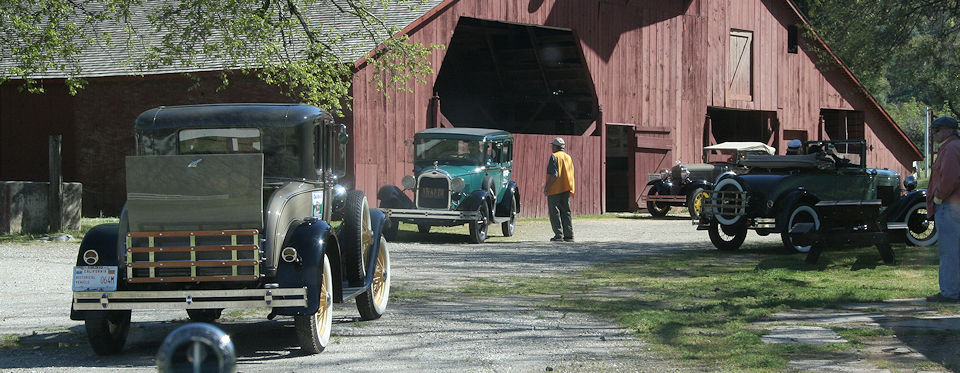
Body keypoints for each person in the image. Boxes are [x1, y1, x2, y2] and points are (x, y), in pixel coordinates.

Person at [926, 116, 960, 302]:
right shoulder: (953, 147)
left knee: (949, 251)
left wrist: (938, 197)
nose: (933, 133)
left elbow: (949, 177)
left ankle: (949, 293)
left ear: (948, 130)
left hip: (950, 206)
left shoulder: (951, 148)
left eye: (937, 129)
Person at [544, 137, 575, 242]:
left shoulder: (554, 156)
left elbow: (554, 174)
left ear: (556, 146)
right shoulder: (568, 157)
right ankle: (569, 235)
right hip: (566, 187)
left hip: (555, 189)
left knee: (554, 212)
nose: (552, 147)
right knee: (566, 211)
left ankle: (558, 235)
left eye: (553, 145)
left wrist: (547, 186)